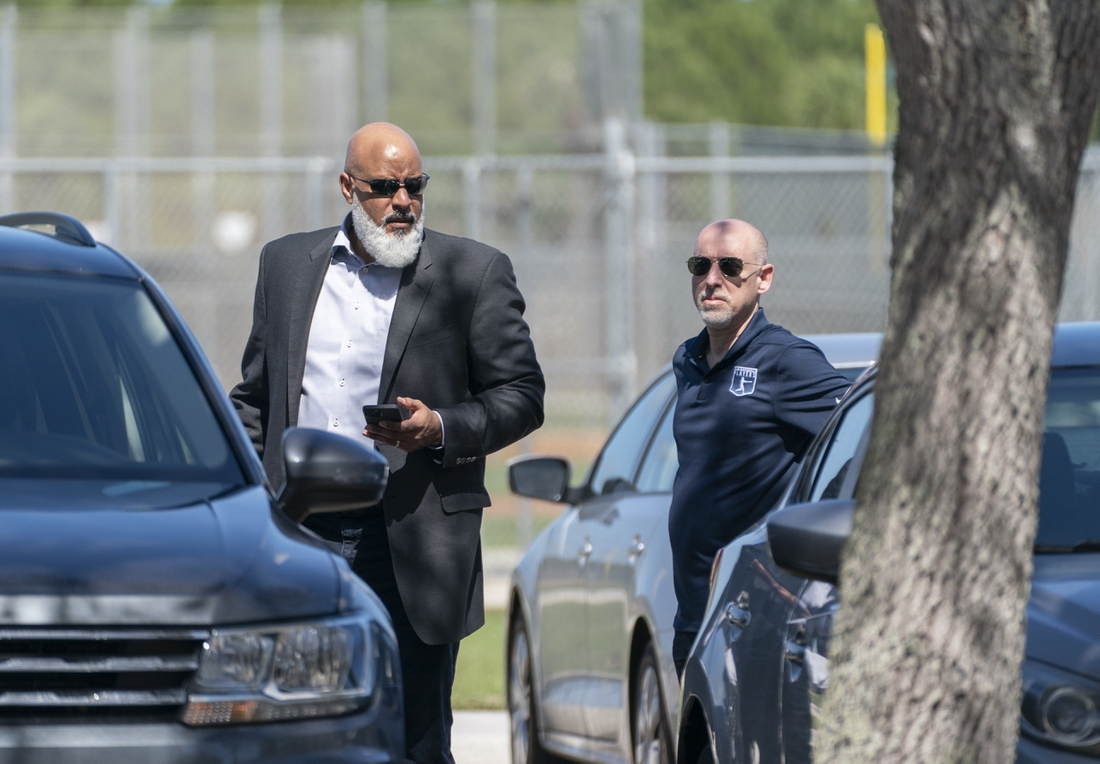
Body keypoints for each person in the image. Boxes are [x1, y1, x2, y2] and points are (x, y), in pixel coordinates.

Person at [230, 122, 544, 763]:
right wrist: (245, 496)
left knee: (414, 740)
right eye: (384, 187)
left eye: (414, 186)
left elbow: (522, 395)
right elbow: (256, 400)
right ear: (348, 187)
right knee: (297, 729)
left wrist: (441, 428)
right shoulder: (286, 265)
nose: (403, 201)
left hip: (411, 539)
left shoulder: (473, 272)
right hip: (300, 534)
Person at [668, 219, 850, 677]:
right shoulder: (687, 359)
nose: (712, 279)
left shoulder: (786, 362)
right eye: (700, 265)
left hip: (753, 617)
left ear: (763, 278)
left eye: (730, 267)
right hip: (694, 617)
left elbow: (858, 432)